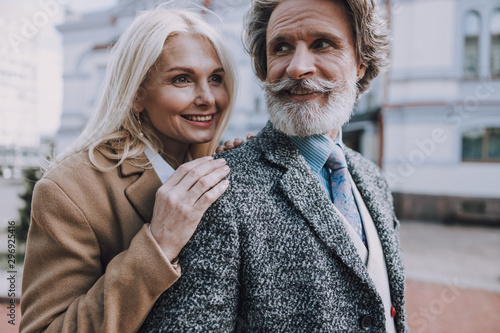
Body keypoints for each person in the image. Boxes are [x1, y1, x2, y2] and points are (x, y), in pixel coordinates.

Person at [140, 0, 407, 332]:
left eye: (321, 44)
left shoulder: (372, 179)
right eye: (281, 47)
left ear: (360, 63)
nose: (297, 67)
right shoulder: (220, 192)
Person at [20, 7, 237, 333]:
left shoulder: (217, 164)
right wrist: (158, 244)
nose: (208, 98)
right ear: (136, 94)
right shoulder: (70, 189)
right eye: (182, 79)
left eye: (216, 78)